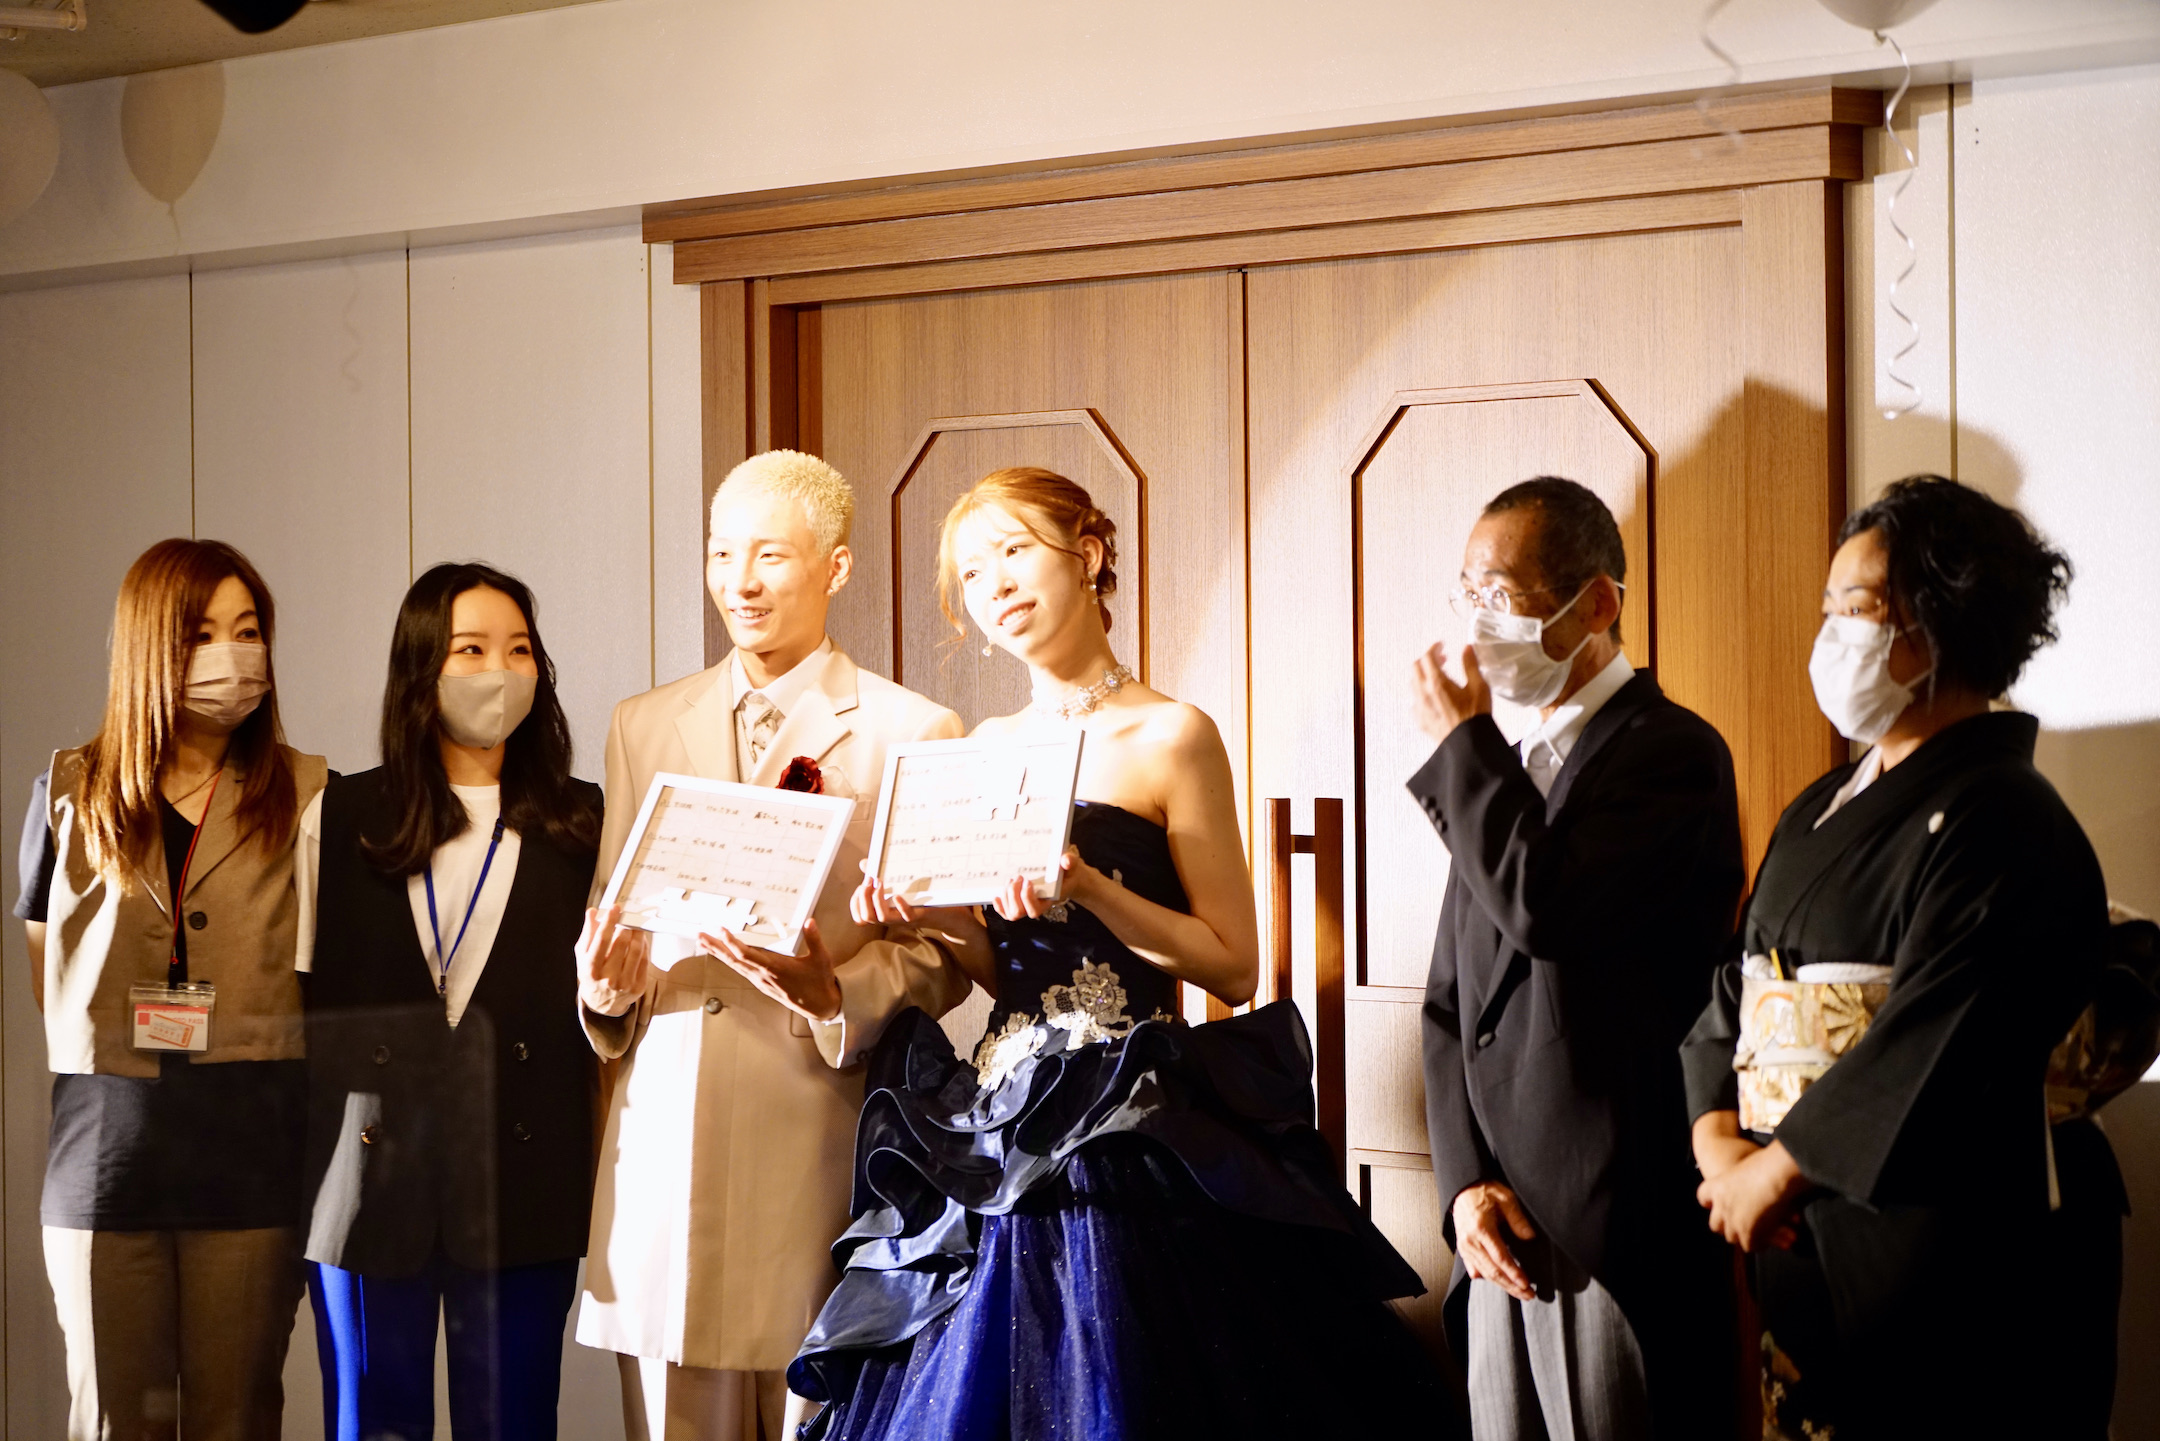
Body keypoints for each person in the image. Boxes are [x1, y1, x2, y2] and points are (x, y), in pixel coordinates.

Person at [792, 466, 1455, 1440]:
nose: (995, 585)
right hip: (1000, 1104)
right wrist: (932, 913)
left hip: (1130, 1109)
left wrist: (1092, 886)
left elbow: (1231, 963)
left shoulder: (1172, 735)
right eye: (972, 573)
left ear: (1089, 553)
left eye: (1013, 551)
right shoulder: (983, 746)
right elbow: (1005, 967)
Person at [1681, 475, 2108, 1440]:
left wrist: (1776, 1171)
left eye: (1859, 608)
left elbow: (1940, 1038)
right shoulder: (1820, 805)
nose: (1832, 633)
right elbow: (1736, 988)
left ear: (1943, 620)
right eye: (1829, 607)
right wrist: (1719, 1144)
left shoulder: (2006, 815)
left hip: (1940, 1259)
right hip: (1793, 1238)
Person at [574, 450, 975, 1441]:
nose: (739, 582)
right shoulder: (641, 723)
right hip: (664, 1136)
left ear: (835, 567)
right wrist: (601, 992)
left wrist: (837, 991)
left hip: (815, 1134)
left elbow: (942, 951)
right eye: (721, 554)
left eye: (769, 556)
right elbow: (613, 914)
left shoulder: (914, 728)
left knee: (817, 1412)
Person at [1407, 477, 1744, 1441]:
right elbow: (1449, 1000)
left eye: (1501, 593)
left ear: (1596, 604)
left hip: (1610, 1216)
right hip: (1496, 1226)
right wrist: (1465, 1184)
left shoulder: (1671, 753)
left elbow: (1546, 906)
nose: (1478, 619)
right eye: (1467, 592)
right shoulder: (1508, 768)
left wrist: (1464, 742)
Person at [13, 538, 325, 1441]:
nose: (233, 655)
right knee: (113, 1421)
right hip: (106, 1163)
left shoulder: (308, 794)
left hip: (253, 1162)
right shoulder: (69, 792)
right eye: (202, 633)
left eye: (248, 630)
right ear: (151, 645)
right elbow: (47, 976)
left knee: (238, 1418)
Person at [295, 563, 602, 1439]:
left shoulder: (584, 820)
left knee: (513, 1422)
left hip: (526, 1177)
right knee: (371, 1421)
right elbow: (300, 1003)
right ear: (422, 667)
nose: (498, 670)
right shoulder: (338, 812)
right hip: (364, 1178)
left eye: (519, 649)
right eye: (470, 649)